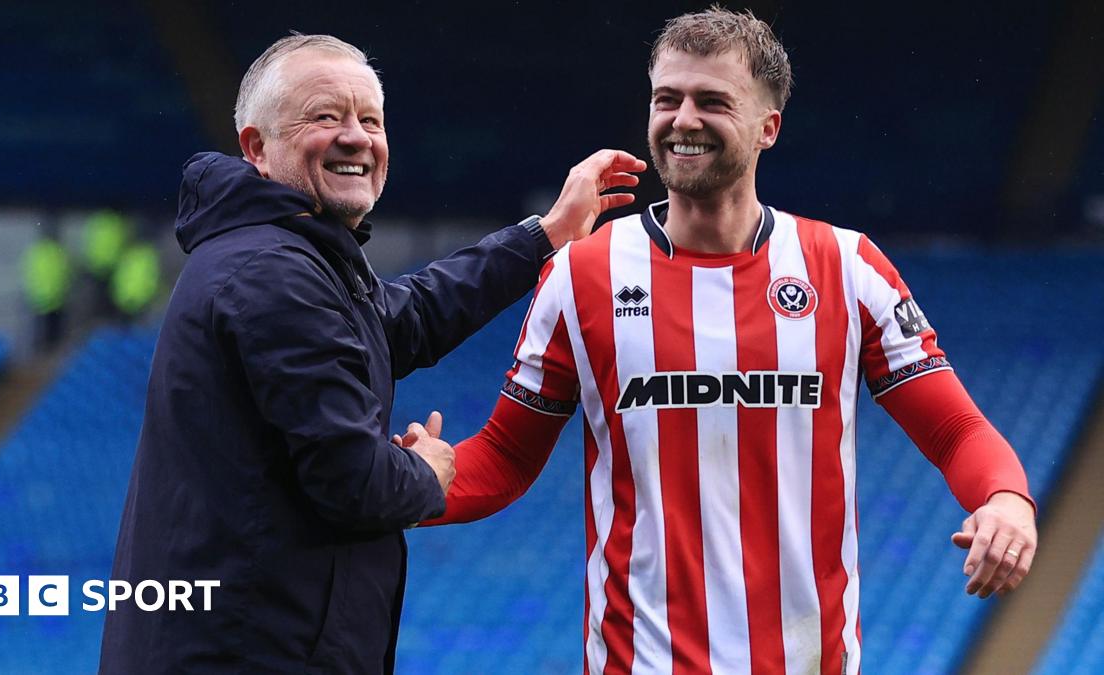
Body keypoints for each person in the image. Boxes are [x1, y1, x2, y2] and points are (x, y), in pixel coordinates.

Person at [417, 9, 1038, 674]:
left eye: (712, 101)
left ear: (768, 127)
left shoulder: (849, 267)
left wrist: (1005, 498)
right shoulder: (581, 274)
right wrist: (409, 484)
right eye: (667, 99)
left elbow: (955, 429)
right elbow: (509, 453)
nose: (683, 120)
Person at [99, 34, 644, 674]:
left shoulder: (288, 256)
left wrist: (544, 235)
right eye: (325, 116)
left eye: (370, 120)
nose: (356, 137)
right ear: (256, 148)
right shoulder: (273, 272)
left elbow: (402, 318)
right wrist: (427, 472)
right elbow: (356, 482)